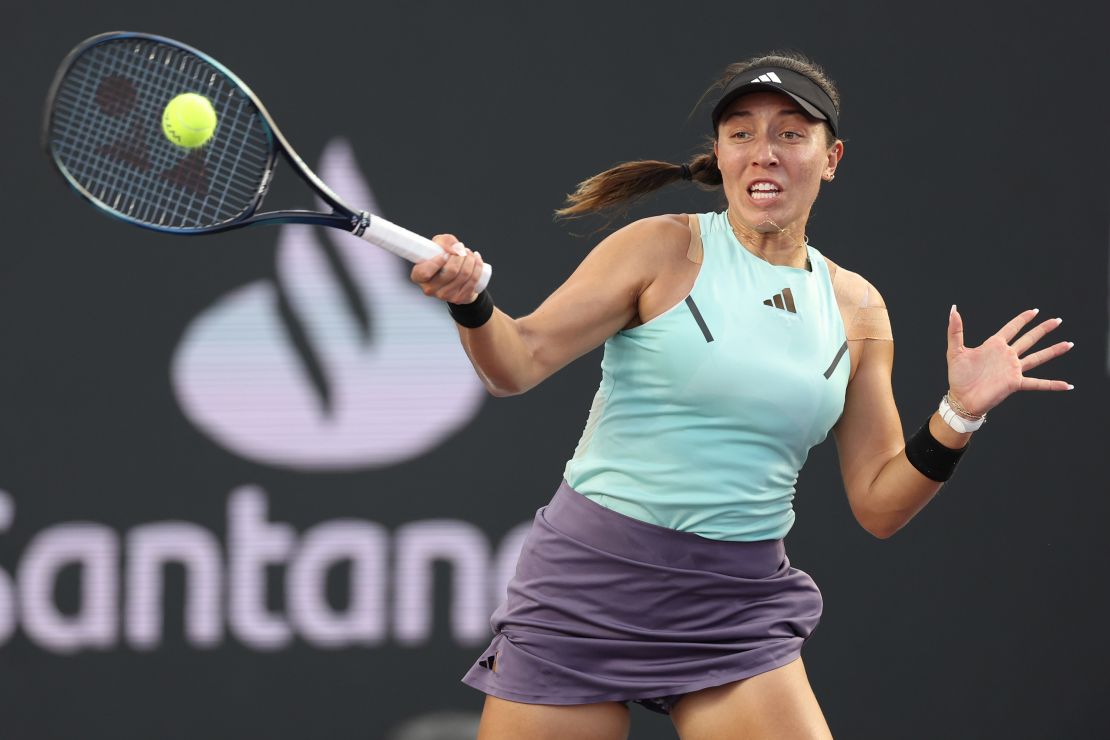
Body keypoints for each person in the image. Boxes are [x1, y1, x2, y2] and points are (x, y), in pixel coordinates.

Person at [408, 52, 1074, 740]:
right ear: (721, 156)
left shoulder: (857, 308)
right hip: (589, 585)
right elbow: (518, 363)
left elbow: (879, 503)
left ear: (831, 156)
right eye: (742, 133)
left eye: (791, 133)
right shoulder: (660, 249)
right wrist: (473, 304)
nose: (766, 154)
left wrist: (959, 413)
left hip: (734, 605)